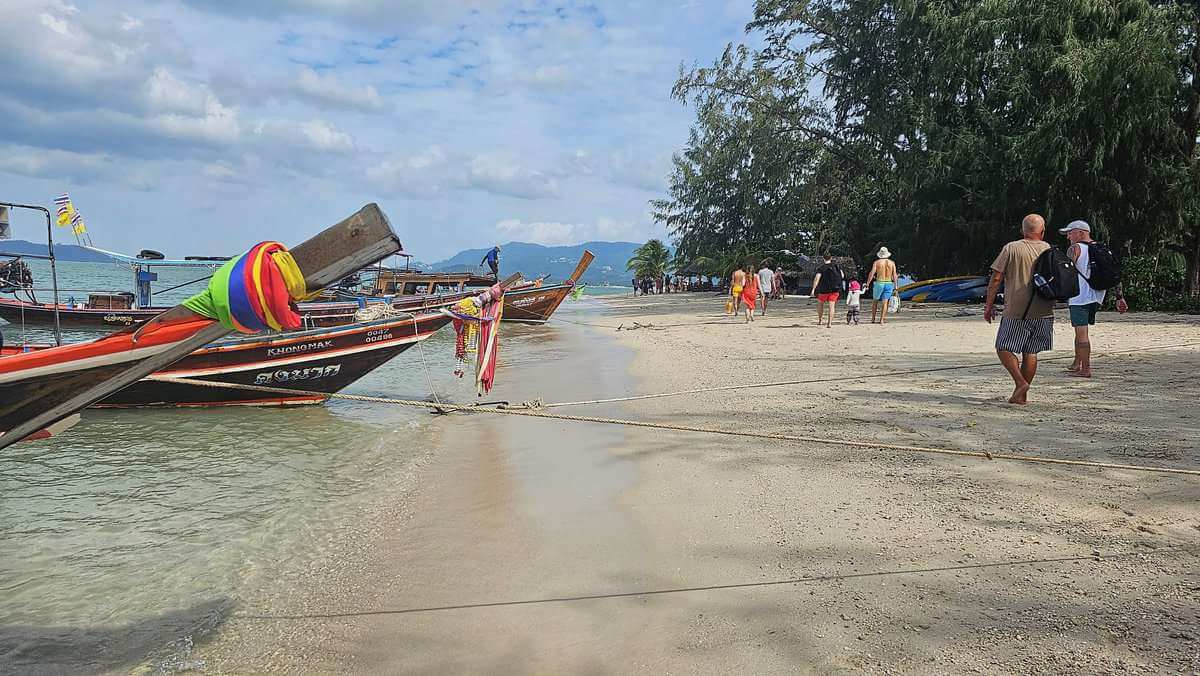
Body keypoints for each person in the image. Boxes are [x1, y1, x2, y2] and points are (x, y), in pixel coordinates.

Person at [985, 214, 1053, 405]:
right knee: (1031, 352)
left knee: (1003, 347)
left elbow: (996, 279)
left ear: (1023, 230)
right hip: (1044, 308)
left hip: (1017, 308)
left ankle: (1020, 383)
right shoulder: (1048, 249)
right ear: (1042, 230)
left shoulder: (1012, 248)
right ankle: (1021, 396)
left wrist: (989, 305)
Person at [1061, 220, 1129, 377]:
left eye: (1070, 233)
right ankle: (1077, 363)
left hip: (1079, 296)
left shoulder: (1075, 248)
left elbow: (1065, 272)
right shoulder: (1103, 249)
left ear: (1080, 232)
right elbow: (1115, 274)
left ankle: (1085, 369)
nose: (1068, 237)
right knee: (1080, 331)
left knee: (1081, 332)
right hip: (1098, 295)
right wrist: (1120, 297)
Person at [865, 247, 898, 324]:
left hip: (879, 282)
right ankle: (882, 320)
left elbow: (872, 273)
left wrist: (867, 284)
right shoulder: (892, 263)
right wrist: (896, 286)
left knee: (875, 301)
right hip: (889, 283)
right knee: (885, 302)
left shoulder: (877, 263)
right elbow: (895, 275)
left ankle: (873, 319)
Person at [810, 253, 843, 328]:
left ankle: (820, 320)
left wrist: (813, 289)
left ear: (823, 258)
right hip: (835, 289)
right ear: (831, 258)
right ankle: (829, 323)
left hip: (823, 290)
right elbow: (842, 275)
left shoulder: (821, 268)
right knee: (832, 306)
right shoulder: (836, 266)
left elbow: (817, 279)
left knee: (820, 304)